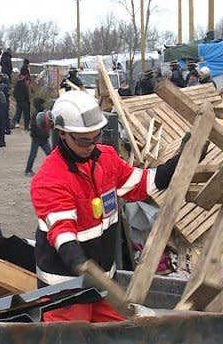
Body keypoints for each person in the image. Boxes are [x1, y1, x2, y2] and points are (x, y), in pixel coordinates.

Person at [31, 91, 196, 322]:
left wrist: (182, 159)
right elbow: (62, 232)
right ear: (62, 134)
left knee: (121, 341)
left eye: (95, 138)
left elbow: (144, 183)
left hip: (104, 286)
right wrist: (79, 262)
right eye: (82, 140)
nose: (90, 146)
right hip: (66, 293)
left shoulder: (105, 159)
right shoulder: (50, 179)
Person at [25, 97, 52, 177]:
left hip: (39, 138)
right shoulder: (40, 114)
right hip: (39, 138)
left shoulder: (38, 114)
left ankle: (28, 170)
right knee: (36, 154)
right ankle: (28, 170)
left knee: (47, 154)